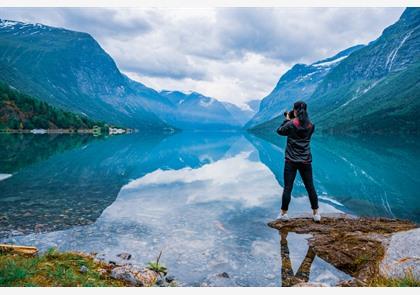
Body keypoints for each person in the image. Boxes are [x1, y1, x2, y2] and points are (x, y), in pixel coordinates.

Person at [276, 101, 320, 222]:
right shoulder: (311, 125)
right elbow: (303, 128)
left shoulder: (291, 124)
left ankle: (284, 214)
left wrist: (287, 119)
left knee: (288, 187)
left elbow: (279, 131)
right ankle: (316, 214)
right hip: (306, 160)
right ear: (306, 111)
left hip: (291, 161)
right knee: (310, 187)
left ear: (295, 111)